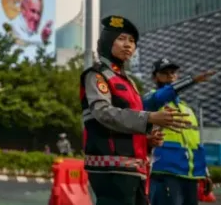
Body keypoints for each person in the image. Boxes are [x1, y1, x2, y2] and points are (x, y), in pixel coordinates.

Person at [80, 15, 191, 205]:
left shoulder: (128, 82)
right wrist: (149, 118)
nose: (128, 45)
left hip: (134, 169)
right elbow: (103, 113)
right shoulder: (96, 75)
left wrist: (147, 140)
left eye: (132, 41)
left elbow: (129, 122)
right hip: (111, 169)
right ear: (107, 42)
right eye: (121, 39)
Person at [144, 58, 216, 205]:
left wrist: (205, 173)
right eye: (164, 73)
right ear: (154, 77)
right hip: (164, 172)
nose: (170, 76)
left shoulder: (187, 109)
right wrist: (192, 80)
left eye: (173, 73)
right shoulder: (151, 100)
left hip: (189, 175)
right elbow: (163, 94)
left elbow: (194, 144)